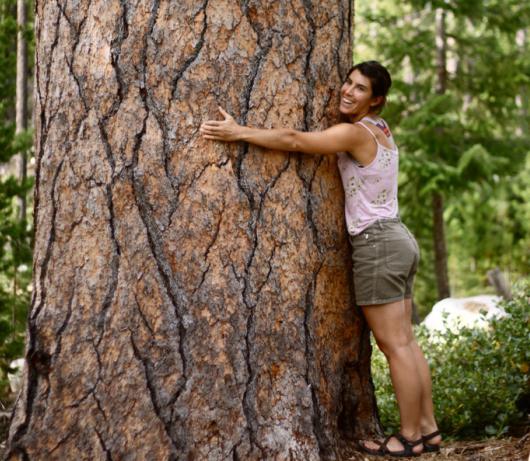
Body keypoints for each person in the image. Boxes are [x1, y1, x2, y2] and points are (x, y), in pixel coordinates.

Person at [200, 60, 441, 458]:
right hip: (397, 239)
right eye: (349, 82)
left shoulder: (352, 132)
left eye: (360, 88)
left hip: (378, 244)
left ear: (376, 100)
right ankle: (428, 429)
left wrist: (238, 132)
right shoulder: (380, 130)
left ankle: (409, 436)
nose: (348, 91)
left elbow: (296, 140)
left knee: (394, 345)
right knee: (406, 343)